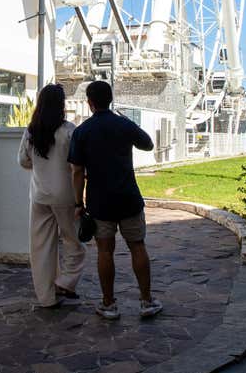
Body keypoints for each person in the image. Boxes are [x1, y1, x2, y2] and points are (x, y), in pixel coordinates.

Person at [68, 80, 163, 319]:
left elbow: (77, 171)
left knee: (105, 251)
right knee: (138, 246)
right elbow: (148, 144)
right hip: (129, 197)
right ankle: (146, 301)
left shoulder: (82, 132)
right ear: (110, 99)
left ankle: (109, 304)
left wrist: (78, 203)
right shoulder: (123, 124)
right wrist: (127, 125)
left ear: (89, 103)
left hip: (100, 202)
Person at [18, 84, 86, 308]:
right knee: (74, 243)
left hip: (39, 195)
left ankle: (46, 298)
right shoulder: (69, 131)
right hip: (65, 196)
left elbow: (23, 161)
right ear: (61, 105)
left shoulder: (31, 130)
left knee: (41, 247)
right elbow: (77, 165)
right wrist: (80, 200)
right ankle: (65, 282)